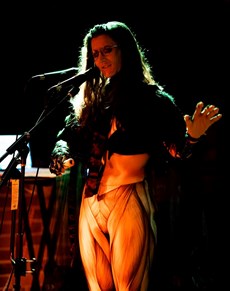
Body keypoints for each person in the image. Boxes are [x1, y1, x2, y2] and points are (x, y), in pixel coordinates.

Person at [49, 20, 222, 291]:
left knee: (129, 286)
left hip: (128, 197)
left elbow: (176, 151)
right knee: (98, 287)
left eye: (107, 50)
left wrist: (192, 136)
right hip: (91, 202)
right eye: (95, 54)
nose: (100, 59)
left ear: (125, 51)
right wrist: (61, 154)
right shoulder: (91, 100)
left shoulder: (152, 99)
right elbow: (66, 136)